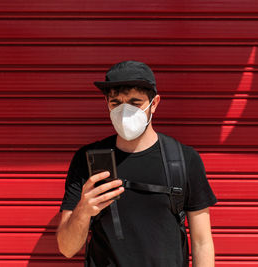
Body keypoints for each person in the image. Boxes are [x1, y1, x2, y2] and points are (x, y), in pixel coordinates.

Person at [56, 60, 217, 267]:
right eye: (116, 103)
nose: (124, 112)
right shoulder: (88, 160)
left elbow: (202, 242)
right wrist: (84, 210)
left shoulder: (183, 159)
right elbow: (67, 249)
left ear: (154, 104)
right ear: (107, 104)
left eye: (135, 102)